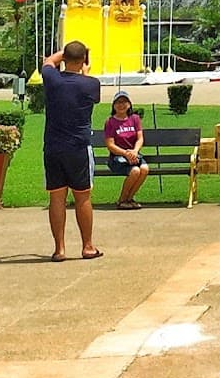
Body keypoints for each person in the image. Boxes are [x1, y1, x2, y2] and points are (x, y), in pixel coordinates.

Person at [40, 40, 102, 261]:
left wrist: (62, 54)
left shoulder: (52, 80)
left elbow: (48, 62)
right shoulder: (91, 84)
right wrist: (85, 68)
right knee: (82, 197)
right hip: (78, 147)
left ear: (64, 58)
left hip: (54, 146)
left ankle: (59, 249)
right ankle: (87, 246)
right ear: (84, 60)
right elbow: (84, 87)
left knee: (57, 198)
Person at [103, 91, 149, 210]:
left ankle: (130, 198)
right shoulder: (110, 122)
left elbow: (140, 138)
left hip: (134, 155)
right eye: (118, 102)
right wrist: (125, 153)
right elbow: (110, 145)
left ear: (129, 104)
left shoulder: (135, 119)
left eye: (124, 102)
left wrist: (134, 151)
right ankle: (122, 200)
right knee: (135, 171)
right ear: (113, 105)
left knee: (144, 169)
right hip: (117, 158)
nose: (121, 105)